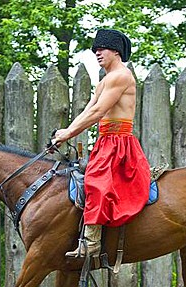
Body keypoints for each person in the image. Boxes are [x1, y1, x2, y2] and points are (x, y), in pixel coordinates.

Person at [52, 28, 151, 259]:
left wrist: (67, 134)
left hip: (119, 143)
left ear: (116, 51)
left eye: (101, 48)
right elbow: (87, 110)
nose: (97, 53)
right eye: (95, 50)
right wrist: (64, 132)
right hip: (106, 141)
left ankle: (92, 243)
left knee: (96, 181)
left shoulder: (121, 76)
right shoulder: (105, 80)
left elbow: (98, 111)